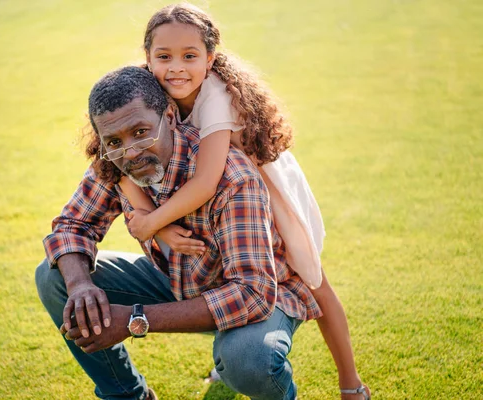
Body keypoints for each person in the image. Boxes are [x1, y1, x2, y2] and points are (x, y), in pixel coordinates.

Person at [117, 4, 370, 399]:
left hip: (262, 187)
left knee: (311, 276)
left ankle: (352, 384)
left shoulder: (216, 97)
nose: (176, 68)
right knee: (224, 272)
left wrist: (149, 224)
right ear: (148, 58)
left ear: (211, 58)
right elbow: (119, 170)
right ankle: (231, 356)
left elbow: (205, 181)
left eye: (190, 56)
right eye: (164, 57)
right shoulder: (145, 90)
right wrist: (160, 225)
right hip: (220, 203)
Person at [36, 65, 322, 400]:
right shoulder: (115, 162)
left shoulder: (231, 177)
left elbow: (252, 294)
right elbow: (72, 226)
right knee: (54, 277)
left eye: (141, 132)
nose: (130, 152)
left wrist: (133, 319)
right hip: (178, 282)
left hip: (263, 294)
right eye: (114, 141)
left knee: (249, 359)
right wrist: (81, 285)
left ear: (169, 116)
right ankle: (128, 396)